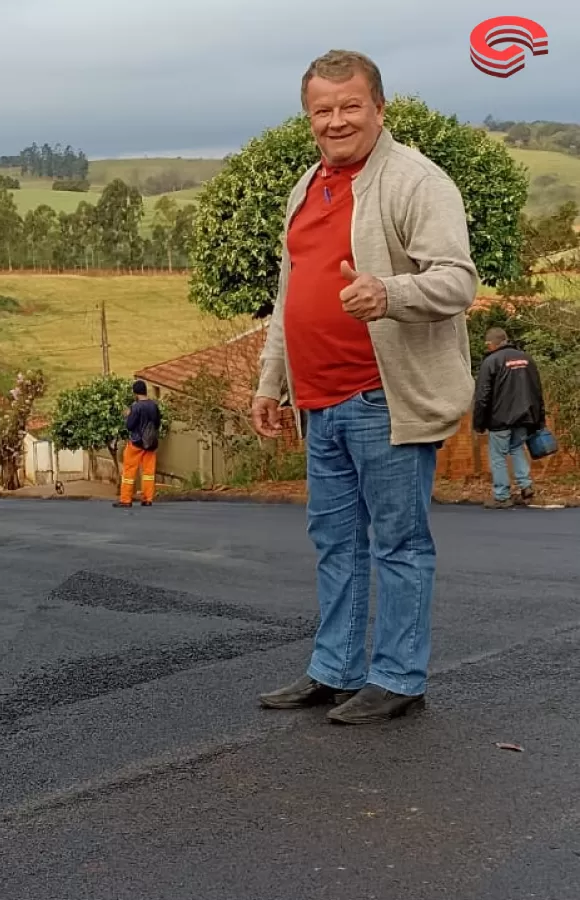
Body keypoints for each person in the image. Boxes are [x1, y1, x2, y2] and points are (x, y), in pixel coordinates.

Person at [252, 50, 477, 725]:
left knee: (399, 543)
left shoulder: (416, 181)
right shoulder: (307, 184)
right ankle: (335, 668)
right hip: (319, 401)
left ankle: (399, 676)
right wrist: (273, 381)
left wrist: (390, 292)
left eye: (351, 106)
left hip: (384, 397)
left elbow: (458, 280)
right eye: (323, 109)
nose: (337, 120)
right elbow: (291, 292)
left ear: (380, 107)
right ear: (308, 116)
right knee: (336, 542)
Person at [472, 327, 545, 509]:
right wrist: (539, 418)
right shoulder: (527, 359)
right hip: (524, 417)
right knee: (517, 448)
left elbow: (482, 396)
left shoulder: (491, 361)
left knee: (498, 456)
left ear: (491, 344)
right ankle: (526, 486)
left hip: (500, 419)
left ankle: (502, 496)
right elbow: (536, 390)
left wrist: (479, 423)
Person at [115, 380, 161, 509]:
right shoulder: (154, 406)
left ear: (135, 392)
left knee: (129, 471)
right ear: (145, 391)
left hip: (136, 443)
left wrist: (128, 415)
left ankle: (125, 500)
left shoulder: (136, 407)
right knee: (148, 472)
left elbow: (130, 426)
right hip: (151, 443)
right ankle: (148, 499)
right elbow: (157, 424)